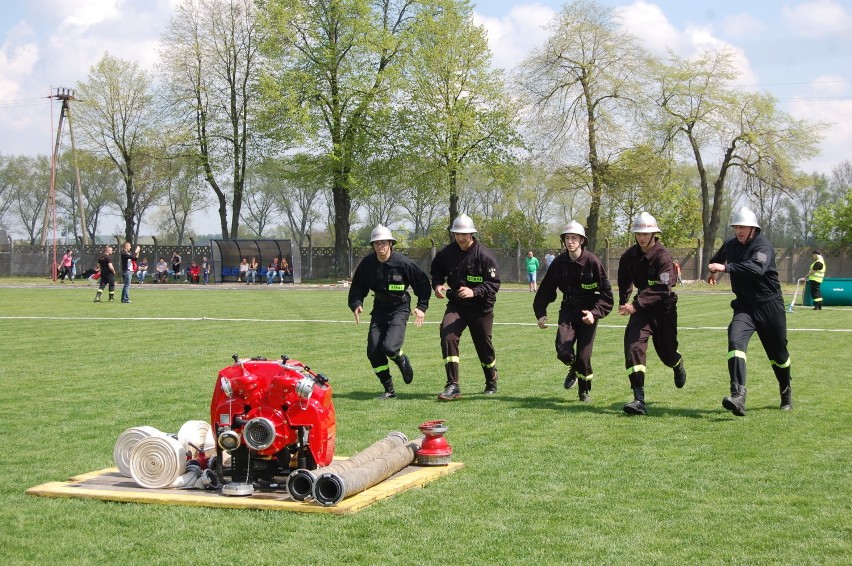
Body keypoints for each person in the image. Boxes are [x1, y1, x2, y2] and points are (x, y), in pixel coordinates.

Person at [707, 207, 793, 415]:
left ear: (753, 229)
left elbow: (756, 269)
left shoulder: (763, 247)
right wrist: (713, 271)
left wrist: (725, 269)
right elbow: (715, 262)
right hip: (745, 307)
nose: (739, 231)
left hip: (770, 306)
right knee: (735, 341)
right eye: (736, 227)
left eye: (743, 227)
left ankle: (786, 391)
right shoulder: (730, 245)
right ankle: (738, 395)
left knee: (778, 356)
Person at [348, 225, 431, 399]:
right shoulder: (368, 264)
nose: (380, 247)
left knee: (390, 347)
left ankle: (401, 359)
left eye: (384, 243)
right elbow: (358, 286)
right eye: (376, 243)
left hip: (400, 308)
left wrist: (421, 307)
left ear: (391, 244)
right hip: (379, 308)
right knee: (373, 351)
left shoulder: (403, 263)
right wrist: (356, 303)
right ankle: (389, 389)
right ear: (373, 246)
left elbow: (422, 283)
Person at [533, 221, 613, 402]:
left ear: (582, 241)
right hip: (568, 310)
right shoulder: (559, 263)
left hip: (588, 313)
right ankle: (574, 368)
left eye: (574, 238)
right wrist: (541, 312)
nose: (570, 242)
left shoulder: (592, 261)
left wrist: (595, 312)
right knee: (562, 350)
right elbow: (546, 288)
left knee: (584, 356)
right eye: (567, 238)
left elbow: (607, 294)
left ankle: (584, 391)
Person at [617, 212, 687, 415]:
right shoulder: (628, 256)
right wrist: (624, 301)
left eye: (646, 233)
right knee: (633, 347)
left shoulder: (663, 256)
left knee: (666, 353)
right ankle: (638, 398)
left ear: (654, 234)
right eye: (638, 233)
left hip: (663, 309)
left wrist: (635, 304)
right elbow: (624, 280)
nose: (641, 237)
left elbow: (664, 288)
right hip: (641, 310)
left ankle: (676, 362)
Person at [431, 213, 501, 401]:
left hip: (481, 308)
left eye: (465, 234)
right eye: (457, 234)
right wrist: (437, 285)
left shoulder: (484, 256)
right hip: (457, 305)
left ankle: (491, 378)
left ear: (472, 234)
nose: (461, 237)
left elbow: (494, 283)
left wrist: (474, 291)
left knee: (483, 346)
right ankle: (453, 385)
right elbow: (436, 270)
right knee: (448, 335)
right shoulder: (447, 253)